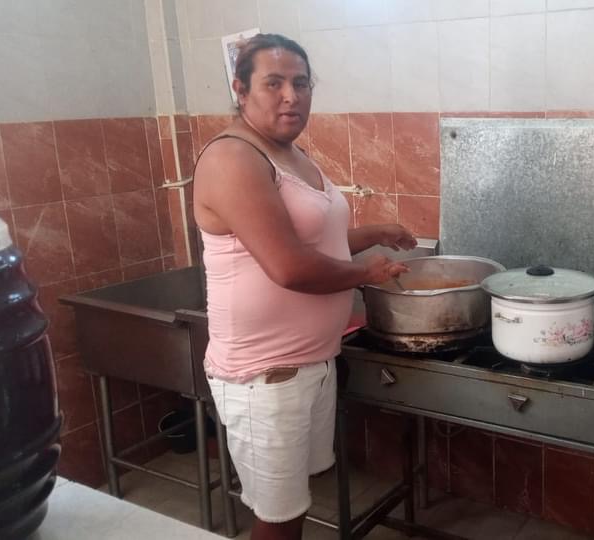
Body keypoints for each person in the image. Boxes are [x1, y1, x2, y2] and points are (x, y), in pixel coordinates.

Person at [192, 33, 415, 540]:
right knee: (278, 520)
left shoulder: (290, 153)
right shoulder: (234, 158)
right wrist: (367, 274)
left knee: (295, 505)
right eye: (274, 83)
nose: (291, 95)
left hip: (310, 364)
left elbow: (319, 239)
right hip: (264, 374)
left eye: (301, 82)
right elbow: (289, 267)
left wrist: (375, 233)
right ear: (240, 89)